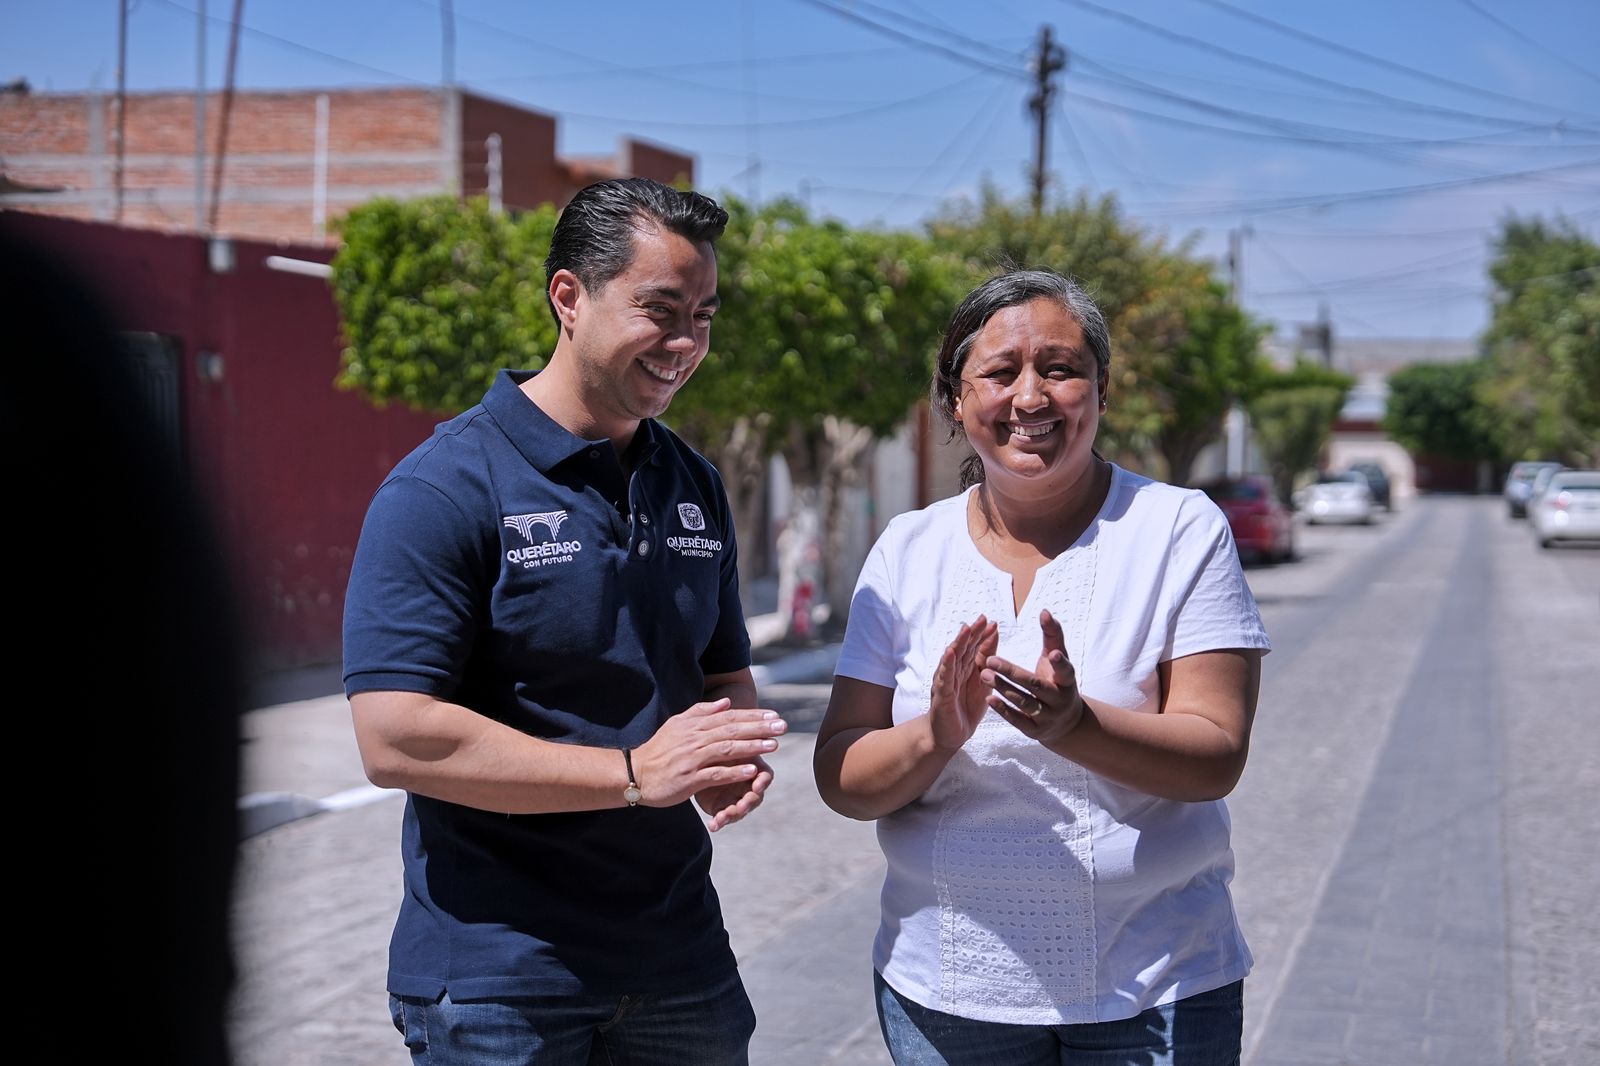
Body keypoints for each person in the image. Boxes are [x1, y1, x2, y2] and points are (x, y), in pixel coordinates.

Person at [343, 177, 787, 1065]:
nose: (686, 342)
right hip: (500, 982)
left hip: (679, 966)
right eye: (660, 309)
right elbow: (394, 737)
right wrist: (632, 772)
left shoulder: (693, 483)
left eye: (703, 313)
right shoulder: (444, 488)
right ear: (568, 298)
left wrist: (724, 750)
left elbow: (718, 671)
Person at [814, 269, 1270, 1065]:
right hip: (945, 996)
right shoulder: (905, 551)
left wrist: (1076, 726)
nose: (1030, 396)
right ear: (957, 401)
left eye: (1059, 368)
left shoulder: (1178, 530)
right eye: (999, 372)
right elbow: (841, 775)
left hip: (1155, 983)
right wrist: (935, 736)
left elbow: (1216, 755)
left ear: (1100, 388)